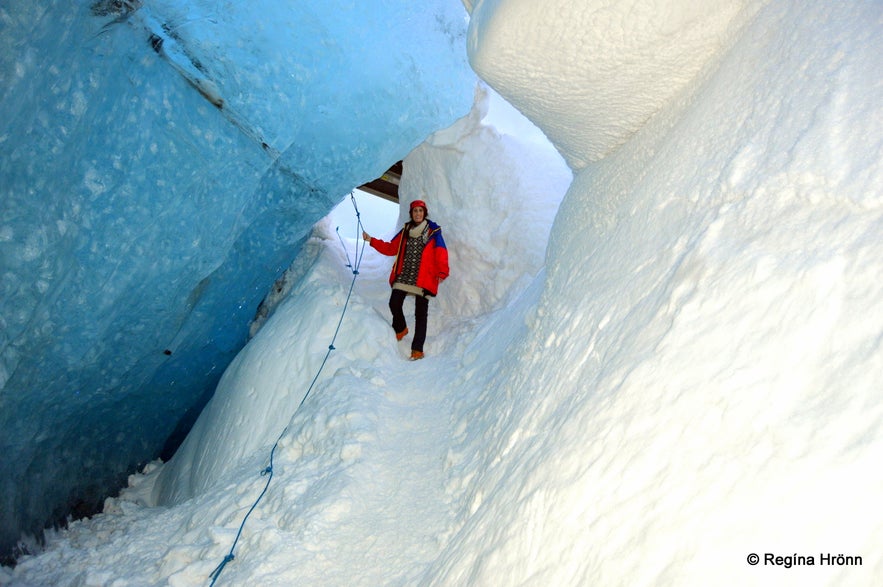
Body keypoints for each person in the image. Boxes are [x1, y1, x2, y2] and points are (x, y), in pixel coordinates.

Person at [362, 199, 449, 360]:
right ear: (411, 214)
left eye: (420, 211)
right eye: (415, 211)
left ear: (424, 213)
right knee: (394, 303)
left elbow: (441, 251)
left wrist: (442, 271)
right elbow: (390, 248)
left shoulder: (433, 231)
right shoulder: (405, 232)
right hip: (404, 275)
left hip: (424, 278)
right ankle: (401, 328)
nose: (418, 214)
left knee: (420, 314)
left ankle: (417, 350)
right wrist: (371, 240)